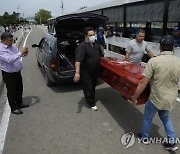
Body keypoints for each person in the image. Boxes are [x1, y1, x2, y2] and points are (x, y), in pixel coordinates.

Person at [132, 35, 180, 152]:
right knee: (165, 117)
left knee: (148, 117)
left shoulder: (154, 61)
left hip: (156, 97)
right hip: (170, 97)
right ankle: (172, 142)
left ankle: (145, 138)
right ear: (173, 48)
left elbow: (143, 83)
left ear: (160, 47)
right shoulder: (178, 61)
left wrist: (135, 97)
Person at [74, 27, 102, 111]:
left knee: (93, 86)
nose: (93, 37)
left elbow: (100, 54)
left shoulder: (96, 43)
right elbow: (78, 61)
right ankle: (91, 103)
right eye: (90, 35)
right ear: (85, 36)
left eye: (93, 35)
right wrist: (77, 73)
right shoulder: (82, 47)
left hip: (95, 71)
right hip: (86, 73)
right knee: (88, 88)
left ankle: (91, 97)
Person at [0, 32, 29, 115]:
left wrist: (24, 53)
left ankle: (19, 103)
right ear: (4, 40)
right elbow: (9, 60)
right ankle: (14, 108)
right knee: (12, 91)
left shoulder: (12, 46)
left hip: (17, 72)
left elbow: (19, 55)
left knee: (19, 88)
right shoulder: (1, 49)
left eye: (12, 40)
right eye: (10, 40)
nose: (12, 41)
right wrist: (20, 53)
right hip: (8, 74)